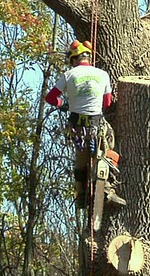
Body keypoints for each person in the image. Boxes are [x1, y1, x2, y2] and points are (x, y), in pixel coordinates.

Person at [45, 39, 126, 207]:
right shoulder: (102, 74)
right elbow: (107, 103)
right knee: (107, 148)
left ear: (74, 60)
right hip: (96, 122)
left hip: (76, 125)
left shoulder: (69, 75)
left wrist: (63, 104)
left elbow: (50, 98)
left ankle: (81, 195)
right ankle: (106, 189)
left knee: (81, 157)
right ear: (89, 58)